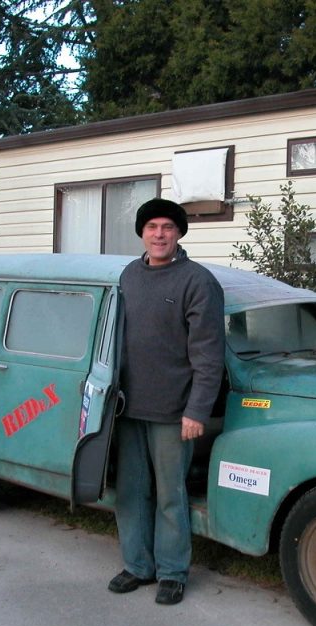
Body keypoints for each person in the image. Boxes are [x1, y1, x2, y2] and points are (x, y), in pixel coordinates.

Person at [108, 198, 225, 605]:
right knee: (130, 492)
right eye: (152, 227)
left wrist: (196, 410)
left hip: (174, 414)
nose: (159, 234)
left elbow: (209, 355)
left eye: (168, 228)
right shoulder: (128, 276)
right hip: (127, 408)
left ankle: (172, 572)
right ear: (142, 232)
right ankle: (138, 565)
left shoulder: (197, 281)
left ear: (179, 234)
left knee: (170, 495)